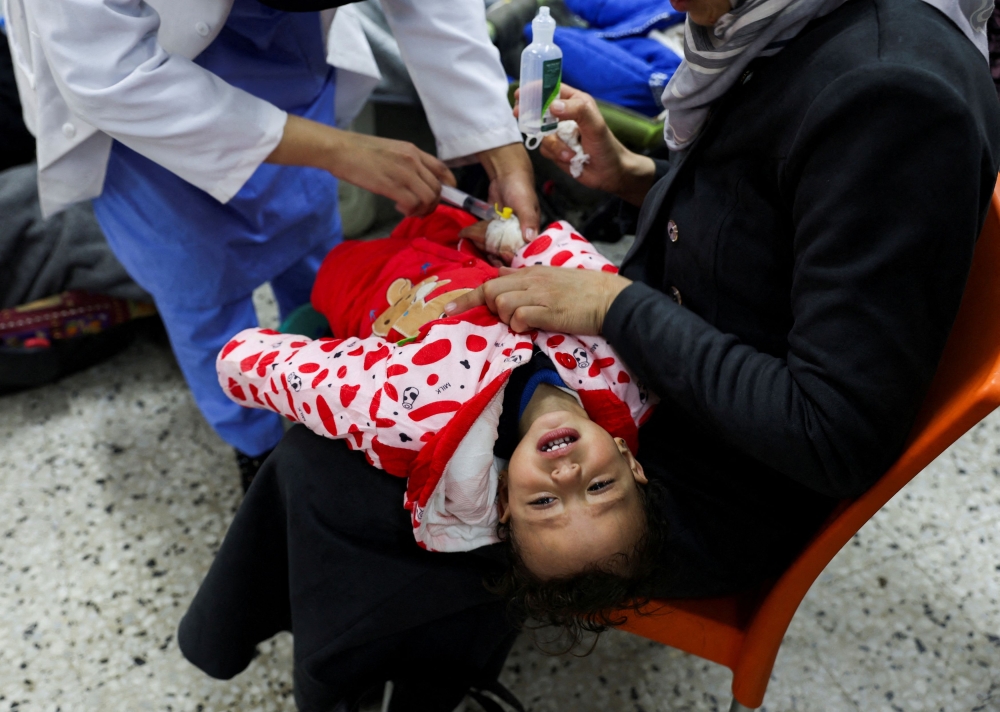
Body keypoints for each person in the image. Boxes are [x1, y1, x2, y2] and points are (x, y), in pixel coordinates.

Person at [179, 0, 1000, 708]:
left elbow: (832, 432)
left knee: (326, 469)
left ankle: (388, 673)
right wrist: (640, 178)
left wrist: (614, 306)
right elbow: (786, 221)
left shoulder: (893, 100)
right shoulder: (792, 31)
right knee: (390, 344)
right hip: (683, 375)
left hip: (729, 470)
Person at [5, 0, 539, 486]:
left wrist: (495, 138)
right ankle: (255, 445)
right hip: (146, 121)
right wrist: (337, 149)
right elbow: (112, 74)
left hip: (288, 64)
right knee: (202, 297)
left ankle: (334, 388)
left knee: (321, 263)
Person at [215, 206, 657, 578]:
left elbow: (332, 387)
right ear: (629, 458)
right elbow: (584, 275)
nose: (566, 478)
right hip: (463, 242)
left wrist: (243, 359)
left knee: (329, 267)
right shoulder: (630, 370)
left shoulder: (423, 423)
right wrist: (518, 240)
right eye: (599, 486)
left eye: (543, 502)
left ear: (504, 498)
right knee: (429, 209)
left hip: (372, 286)